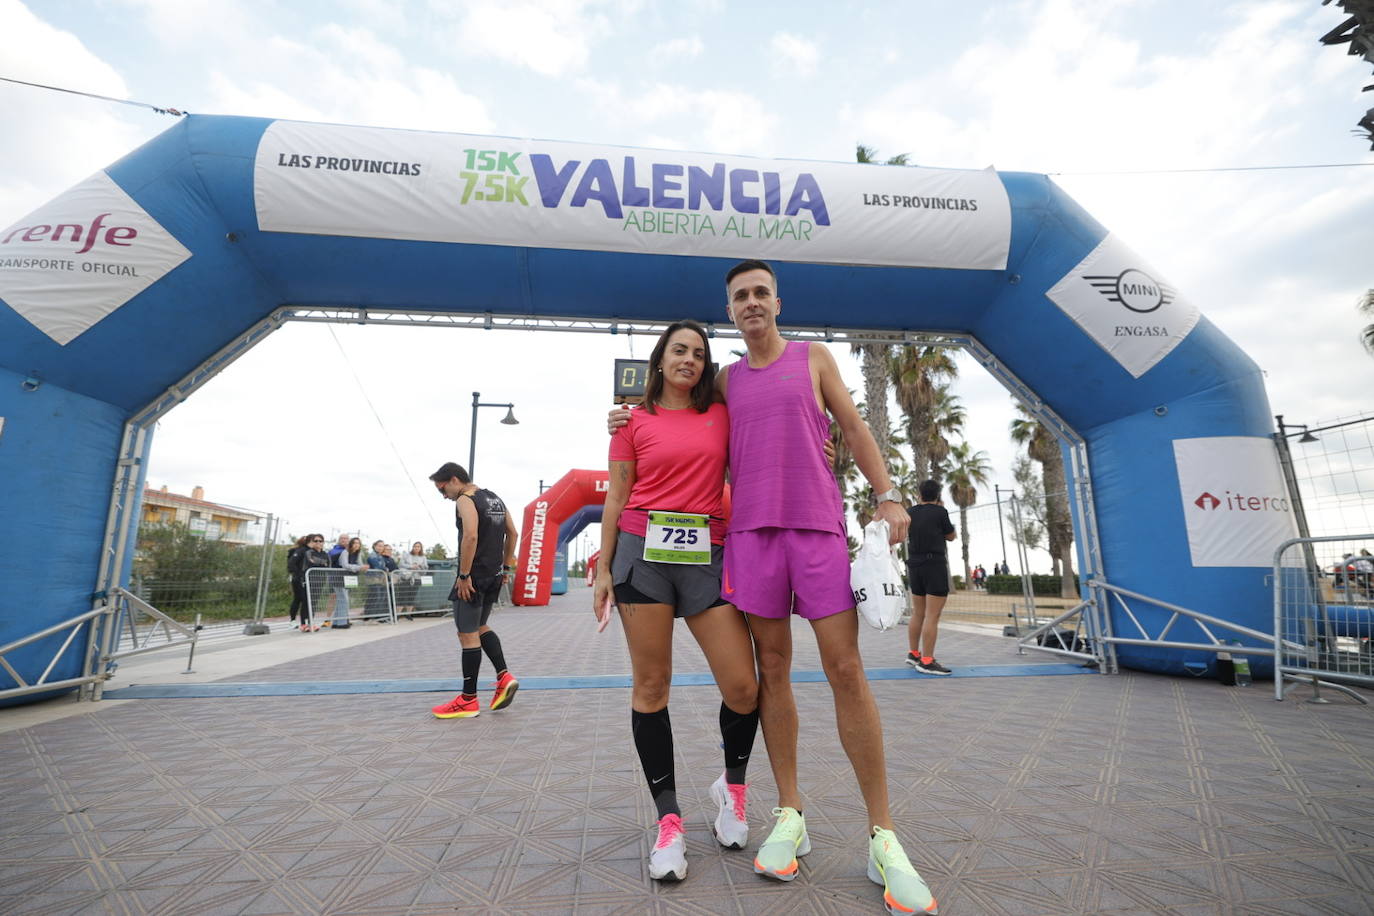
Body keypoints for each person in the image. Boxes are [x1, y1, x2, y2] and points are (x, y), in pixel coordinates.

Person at [608, 260, 936, 914]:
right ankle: (791, 814)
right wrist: (625, 416)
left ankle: (884, 836)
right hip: (751, 542)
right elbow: (673, 418)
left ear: (777, 302)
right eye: (740, 296)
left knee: (845, 668)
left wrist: (889, 497)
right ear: (731, 310)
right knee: (773, 673)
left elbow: (855, 427)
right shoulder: (724, 382)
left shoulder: (814, 359)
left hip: (816, 532)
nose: (752, 302)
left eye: (761, 292)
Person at [595, 319, 760, 883]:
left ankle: (731, 788)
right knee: (651, 685)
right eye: (679, 351)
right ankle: (669, 822)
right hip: (642, 557)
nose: (689, 359)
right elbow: (617, 495)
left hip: (706, 557)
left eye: (698, 353)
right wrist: (601, 570)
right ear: (659, 360)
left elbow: (768, 431)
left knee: (743, 686)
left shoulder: (722, 413)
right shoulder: (632, 421)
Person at [429, 462, 520, 720]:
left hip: (474, 577)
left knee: (466, 635)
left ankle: (467, 700)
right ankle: (504, 676)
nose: (444, 496)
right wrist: (505, 567)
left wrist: (464, 575)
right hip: (493, 575)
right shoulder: (494, 498)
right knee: (480, 627)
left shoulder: (465, 499)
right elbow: (513, 533)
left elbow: (470, 536)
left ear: (454, 479)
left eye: (442, 489)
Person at [905, 480, 957, 675]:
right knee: (932, 616)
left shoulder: (910, 512)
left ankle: (913, 653)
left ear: (919, 494)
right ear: (938, 495)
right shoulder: (940, 512)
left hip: (914, 565)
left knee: (918, 613)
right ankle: (927, 660)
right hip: (934, 565)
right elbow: (950, 536)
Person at [298, 534, 331, 631]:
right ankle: (303, 624)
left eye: (320, 541)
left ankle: (311, 622)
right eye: (316, 541)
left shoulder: (326, 554)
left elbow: (328, 566)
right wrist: (321, 563)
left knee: (314, 602)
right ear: (312, 542)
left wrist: (318, 563)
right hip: (308, 580)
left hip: (320, 581)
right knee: (306, 602)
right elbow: (311, 563)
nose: (318, 543)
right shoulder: (309, 552)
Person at [333, 537, 366, 629]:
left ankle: (336, 622)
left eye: (358, 543)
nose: (356, 545)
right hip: (338, 578)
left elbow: (360, 564)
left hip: (349, 578)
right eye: (355, 543)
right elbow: (345, 565)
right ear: (351, 544)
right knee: (343, 599)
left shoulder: (357, 554)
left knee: (341, 600)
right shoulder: (345, 552)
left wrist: (364, 567)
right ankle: (342, 622)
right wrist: (359, 568)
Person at [396, 541, 429, 619]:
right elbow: (400, 564)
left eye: (418, 546)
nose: (416, 548)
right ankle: (397, 614)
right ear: (413, 547)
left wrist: (420, 567)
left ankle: (408, 614)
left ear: (421, 548)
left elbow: (426, 568)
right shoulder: (406, 555)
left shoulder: (423, 557)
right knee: (402, 596)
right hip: (406, 577)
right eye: (415, 546)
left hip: (417, 578)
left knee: (412, 596)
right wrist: (411, 566)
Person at [286, 535, 310, 626]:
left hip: (303, 577)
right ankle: (293, 620)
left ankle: (304, 620)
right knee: (298, 599)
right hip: (297, 578)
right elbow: (291, 564)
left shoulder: (309, 551)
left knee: (303, 599)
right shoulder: (297, 551)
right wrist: (299, 574)